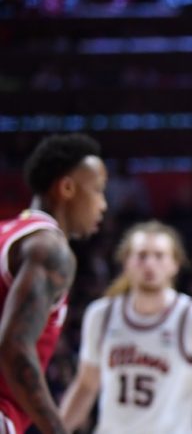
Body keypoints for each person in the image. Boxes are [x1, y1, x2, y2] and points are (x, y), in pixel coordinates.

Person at [59, 221, 192, 434]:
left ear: (175, 264)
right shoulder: (101, 315)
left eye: (159, 255)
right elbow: (86, 386)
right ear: (126, 262)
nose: (149, 264)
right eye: (142, 255)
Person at [0, 133, 108, 434]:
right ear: (67, 188)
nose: (103, 205)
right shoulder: (50, 249)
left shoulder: (7, 232)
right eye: (98, 191)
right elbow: (15, 348)